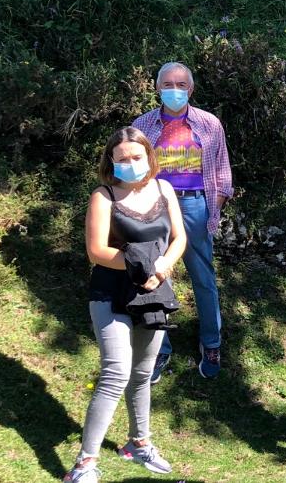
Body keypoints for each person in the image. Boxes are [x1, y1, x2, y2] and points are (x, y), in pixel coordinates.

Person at [63, 128, 187, 483]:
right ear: (111, 162)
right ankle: (84, 464)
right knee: (116, 372)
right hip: (110, 295)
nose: (131, 163)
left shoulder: (164, 189)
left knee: (143, 374)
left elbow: (178, 238)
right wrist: (142, 265)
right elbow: (97, 252)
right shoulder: (103, 196)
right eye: (123, 159)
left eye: (137, 156)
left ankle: (138, 443)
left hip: (154, 293)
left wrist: (162, 267)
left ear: (148, 156)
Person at [133, 61, 233, 381]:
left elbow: (222, 169)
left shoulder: (209, 124)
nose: (174, 90)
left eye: (180, 85)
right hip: (156, 207)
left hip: (195, 207)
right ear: (157, 87)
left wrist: (214, 204)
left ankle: (212, 343)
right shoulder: (143, 125)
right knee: (158, 276)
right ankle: (159, 350)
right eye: (168, 84)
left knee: (203, 277)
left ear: (190, 89)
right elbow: (133, 167)